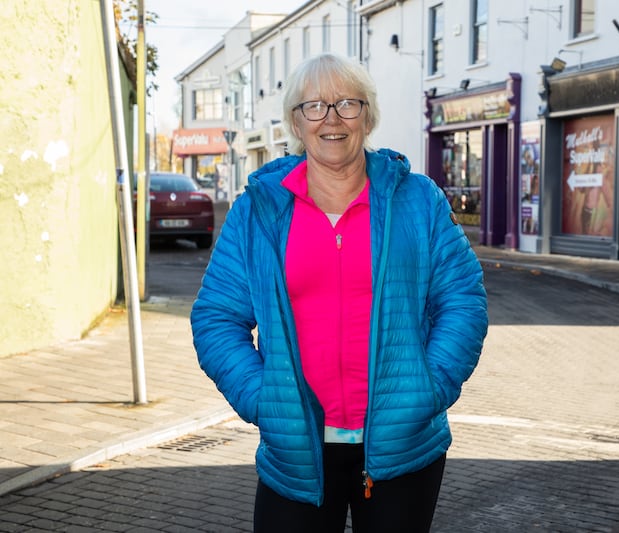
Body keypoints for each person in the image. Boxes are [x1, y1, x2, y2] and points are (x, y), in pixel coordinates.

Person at [191, 53, 488, 533]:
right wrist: (260, 397)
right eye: (315, 106)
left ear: (367, 116)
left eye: (347, 104)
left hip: (402, 447)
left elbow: (463, 300)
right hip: (296, 450)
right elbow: (216, 318)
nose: (331, 118)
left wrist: (428, 388)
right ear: (296, 121)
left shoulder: (418, 200)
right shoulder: (257, 213)